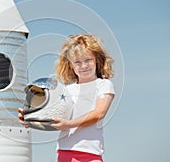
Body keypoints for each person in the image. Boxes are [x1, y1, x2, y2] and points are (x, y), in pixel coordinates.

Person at [18, 34, 115, 162]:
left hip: (89, 152)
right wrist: (30, 120)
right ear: (71, 65)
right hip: (64, 152)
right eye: (78, 62)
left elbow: (99, 113)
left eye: (88, 60)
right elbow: (55, 118)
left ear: (96, 60)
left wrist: (69, 124)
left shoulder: (104, 85)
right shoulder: (66, 90)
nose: (84, 66)